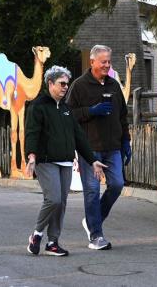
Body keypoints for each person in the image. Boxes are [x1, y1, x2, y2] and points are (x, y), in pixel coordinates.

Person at [25, 65, 107, 257]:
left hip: (66, 163)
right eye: (61, 84)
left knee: (61, 203)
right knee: (53, 199)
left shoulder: (66, 109)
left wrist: (92, 160)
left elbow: (79, 137)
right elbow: (32, 132)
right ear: (50, 83)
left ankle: (53, 242)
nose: (65, 87)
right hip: (45, 161)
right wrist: (31, 155)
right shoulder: (38, 106)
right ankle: (36, 235)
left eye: (67, 84)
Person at [66, 45, 131, 250]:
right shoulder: (79, 86)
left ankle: (93, 220)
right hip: (90, 148)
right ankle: (96, 236)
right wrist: (91, 111)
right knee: (92, 191)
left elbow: (122, 116)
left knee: (118, 184)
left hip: (113, 147)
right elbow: (68, 114)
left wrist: (126, 141)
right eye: (103, 62)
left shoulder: (113, 85)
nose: (107, 65)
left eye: (109, 62)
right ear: (92, 62)